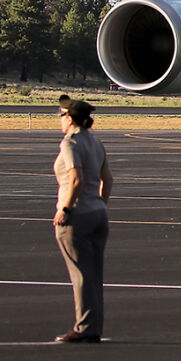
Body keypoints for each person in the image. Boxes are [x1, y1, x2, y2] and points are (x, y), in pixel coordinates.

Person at [52, 98, 113, 343]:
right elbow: (107, 180)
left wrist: (66, 208)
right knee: (94, 274)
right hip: (98, 213)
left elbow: (75, 179)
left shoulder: (71, 143)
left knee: (81, 275)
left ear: (69, 118)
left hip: (78, 215)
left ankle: (85, 326)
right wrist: (100, 204)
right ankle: (93, 326)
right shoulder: (96, 142)